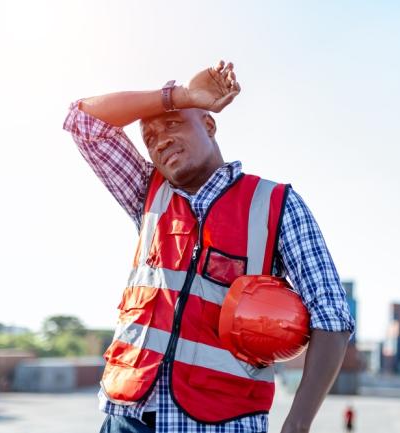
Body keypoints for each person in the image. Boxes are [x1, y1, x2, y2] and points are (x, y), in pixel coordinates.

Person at [63, 59, 354, 433]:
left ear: (210, 125)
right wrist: (179, 97)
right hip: (127, 418)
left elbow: (331, 315)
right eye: (149, 138)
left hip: (221, 423)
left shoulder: (276, 205)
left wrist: (296, 425)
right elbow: (84, 121)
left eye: (172, 123)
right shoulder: (147, 194)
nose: (160, 139)